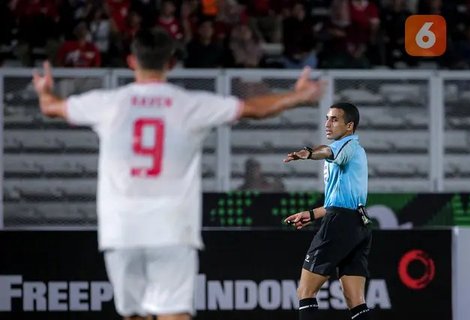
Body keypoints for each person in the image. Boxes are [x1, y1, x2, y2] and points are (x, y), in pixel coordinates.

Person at [32, 28, 325, 320]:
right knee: (174, 315)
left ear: (131, 61)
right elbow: (253, 109)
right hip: (171, 227)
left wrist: (45, 89)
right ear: (171, 63)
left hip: (120, 228)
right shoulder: (188, 104)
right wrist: (298, 96)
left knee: (133, 316)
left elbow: (50, 107)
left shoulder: (108, 103)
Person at [283, 102, 372, 320]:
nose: (327, 124)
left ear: (349, 126)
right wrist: (312, 214)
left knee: (305, 292)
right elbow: (341, 201)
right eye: (327, 118)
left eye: (334, 119)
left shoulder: (347, 145)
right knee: (356, 301)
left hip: (340, 224)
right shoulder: (352, 151)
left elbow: (327, 151)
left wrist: (310, 152)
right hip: (359, 224)